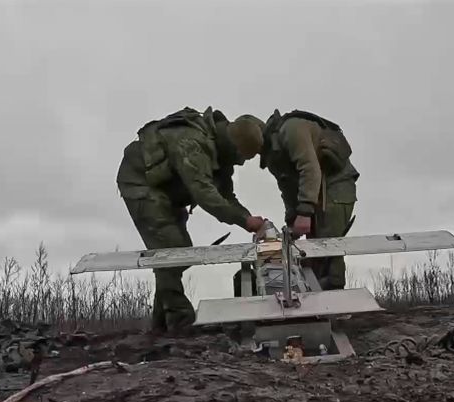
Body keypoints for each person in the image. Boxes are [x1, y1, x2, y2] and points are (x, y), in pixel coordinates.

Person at [116, 106, 268, 335]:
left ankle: (161, 325)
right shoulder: (193, 143)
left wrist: (248, 217)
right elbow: (205, 194)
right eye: (240, 157)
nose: (240, 164)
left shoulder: (220, 155)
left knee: (169, 254)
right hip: (140, 183)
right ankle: (180, 322)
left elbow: (226, 196)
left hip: (167, 193)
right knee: (174, 248)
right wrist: (244, 221)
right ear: (233, 146)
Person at [257, 109, 359, 290]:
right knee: (310, 251)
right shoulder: (274, 157)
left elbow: (310, 168)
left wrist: (304, 212)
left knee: (326, 245)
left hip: (336, 186)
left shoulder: (292, 129)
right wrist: (291, 222)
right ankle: (315, 298)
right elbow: (287, 188)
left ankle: (333, 299)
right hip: (314, 191)